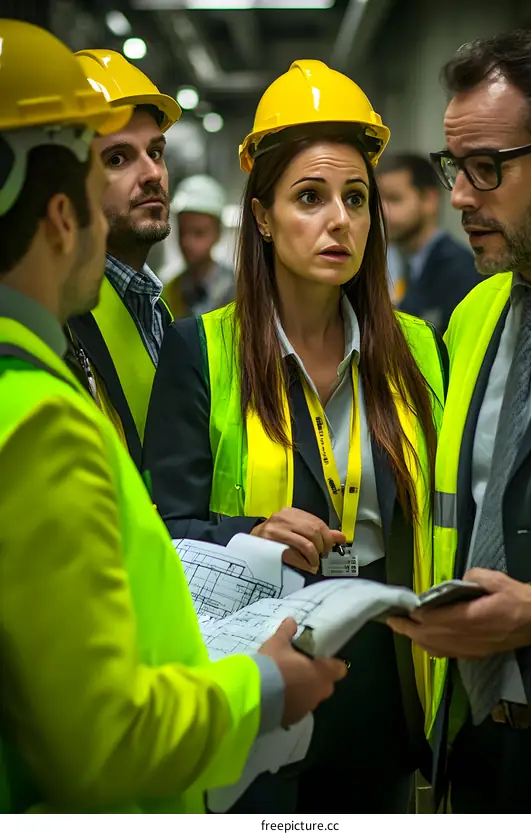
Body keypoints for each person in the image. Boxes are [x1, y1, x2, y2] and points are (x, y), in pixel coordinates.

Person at [0, 21, 346, 814]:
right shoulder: (42, 411)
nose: (142, 176)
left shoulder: (153, 318)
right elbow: (101, 738)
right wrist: (262, 687)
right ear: (60, 213)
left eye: (152, 151)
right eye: (106, 167)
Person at [143, 59, 447, 813]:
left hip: (387, 669)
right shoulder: (200, 350)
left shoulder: (417, 351)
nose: (338, 220)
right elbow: (159, 533)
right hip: (261, 663)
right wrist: (249, 531)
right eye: (309, 198)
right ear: (264, 216)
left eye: (355, 198)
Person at [390, 29, 531, 813]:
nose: (460, 197)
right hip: (469, 737)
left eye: (487, 168)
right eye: (454, 167)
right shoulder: (475, 315)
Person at [65, 50, 181, 467]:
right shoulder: (58, 321)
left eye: (155, 152)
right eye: (118, 158)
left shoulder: (155, 309)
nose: (152, 174)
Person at [377, 152, 482, 332]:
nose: (383, 213)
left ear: (429, 200)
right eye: (379, 202)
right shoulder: (398, 264)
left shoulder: (459, 272)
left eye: (394, 199)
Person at [162, 174, 236, 318]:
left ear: (218, 233)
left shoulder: (240, 291)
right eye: (182, 232)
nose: (187, 242)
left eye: (198, 233)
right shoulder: (168, 292)